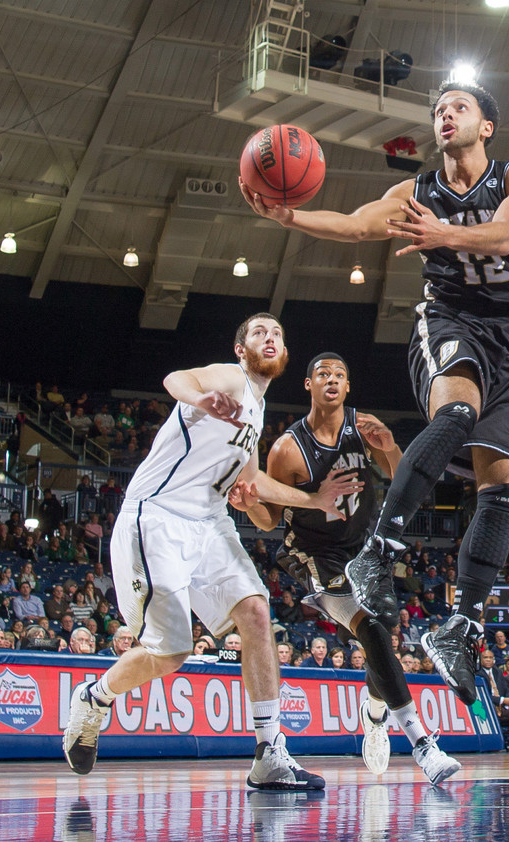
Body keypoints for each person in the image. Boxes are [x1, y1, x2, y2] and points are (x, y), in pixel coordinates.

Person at [241, 81, 509, 708]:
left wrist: (443, 236)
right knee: (456, 411)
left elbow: (502, 238)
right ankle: (379, 552)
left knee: (501, 492)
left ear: (486, 126)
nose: (445, 115)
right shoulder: (414, 194)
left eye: (458, 107)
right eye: (439, 109)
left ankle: (459, 627)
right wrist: (289, 215)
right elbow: (357, 227)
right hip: (451, 322)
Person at [61, 313, 342, 792]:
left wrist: (314, 500)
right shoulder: (230, 378)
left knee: (256, 611)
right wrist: (201, 398)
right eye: (259, 332)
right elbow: (176, 378)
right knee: (170, 651)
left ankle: (270, 752)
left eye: (277, 332)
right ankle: (94, 696)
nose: (270, 337)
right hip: (159, 517)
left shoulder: (256, 408)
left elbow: (252, 481)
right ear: (241, 349)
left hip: (209, 522)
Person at [232, 353, 458, 784]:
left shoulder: (364, 425)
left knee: (384, 627)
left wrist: (390, 446)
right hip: (314, 553)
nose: (332, 380)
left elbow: (403, 477)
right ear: (308, 385)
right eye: (323, 374)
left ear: (347, 387)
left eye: (340, 374)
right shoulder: (287, 448)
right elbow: (270, 519)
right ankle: (423, 745)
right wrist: (251, 506)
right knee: (371, 629)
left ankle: (374, 714)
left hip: (362, 550)